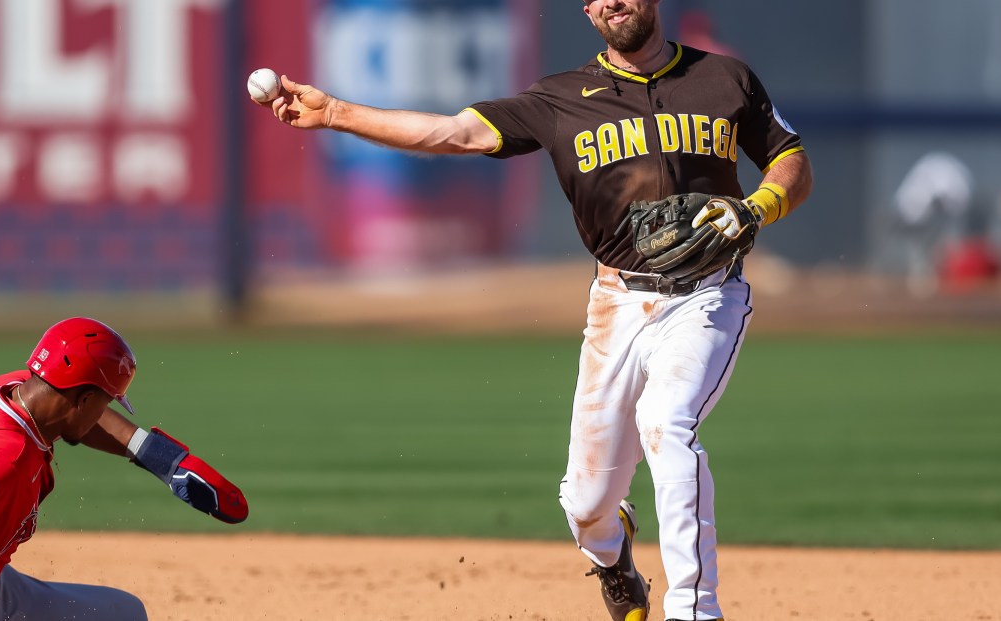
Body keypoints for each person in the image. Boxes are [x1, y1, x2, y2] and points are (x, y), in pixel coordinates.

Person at [260, 1, 812, 619]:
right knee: (586, 506)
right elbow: (453, 132)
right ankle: (614, 559)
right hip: (618, 304)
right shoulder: (560, 100)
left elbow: (791, 161)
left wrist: (758, 205)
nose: (612, 2)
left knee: (666, 422)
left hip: (708, 294)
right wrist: (335, 112)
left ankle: (693, 610)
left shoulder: (725, 78)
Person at [0, 317, 249, 621]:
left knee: (123, 612)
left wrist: (157, 457)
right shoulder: (3, 458)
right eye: (104, 400)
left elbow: (83, 419)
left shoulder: (14, 388)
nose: (106, 410)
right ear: (82, 399)